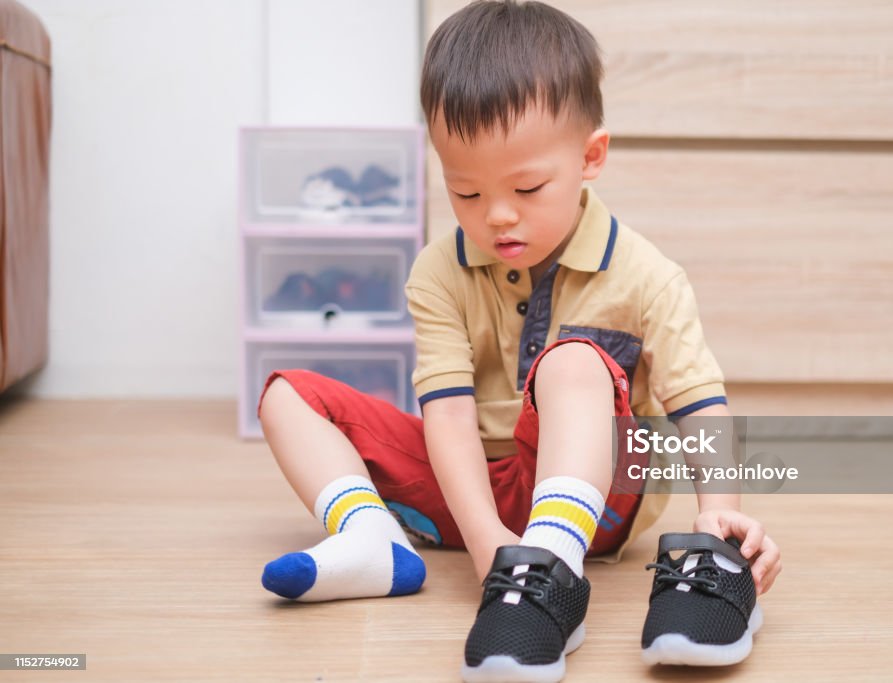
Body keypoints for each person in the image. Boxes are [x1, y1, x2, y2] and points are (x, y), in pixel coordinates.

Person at [257, 1, 781, 680]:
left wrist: (719, 515)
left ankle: (555, 565)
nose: (497, 215)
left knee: (570, 361)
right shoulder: (438, 271)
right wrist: (485, 545)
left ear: (591, 157)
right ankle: (373, 537)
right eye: (465, 192)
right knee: (287, 395)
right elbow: (445, 413)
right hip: (477, 488)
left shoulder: (648, 275)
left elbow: (698, 406)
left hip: (599, 498)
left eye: (528, 187)